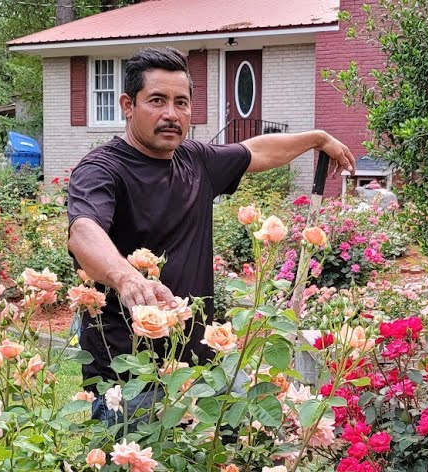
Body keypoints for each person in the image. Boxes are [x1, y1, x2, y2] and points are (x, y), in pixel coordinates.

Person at [66, 47, 356, 425]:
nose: (171, 113)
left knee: (229, 459)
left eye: (181, 102)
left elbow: (256, 151)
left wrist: (317, 138)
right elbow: (83, 230)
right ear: (127, 104)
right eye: (157, 100)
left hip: (201, 367)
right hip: (130, 377)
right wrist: (126, 277)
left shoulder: (195, 160)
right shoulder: (102, 169)